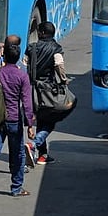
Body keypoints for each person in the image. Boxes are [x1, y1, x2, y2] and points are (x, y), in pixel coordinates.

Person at [0, 37, 36, 200]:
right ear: (18, 58)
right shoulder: (22, 76)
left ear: (5, 56)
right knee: (18, 154)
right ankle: (16, 187)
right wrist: (30, 124)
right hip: (14, 119)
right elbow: (27, 102)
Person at [25, 21, 68, 165]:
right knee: (50, 121)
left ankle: (42, 155)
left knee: (41, 120)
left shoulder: (31, 47)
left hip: (32, 89)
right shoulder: (56, 48)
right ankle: (34, 144)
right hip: (48, 90)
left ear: (42, 33)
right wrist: (64, 80)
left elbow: (25, 64)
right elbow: (59, 66)